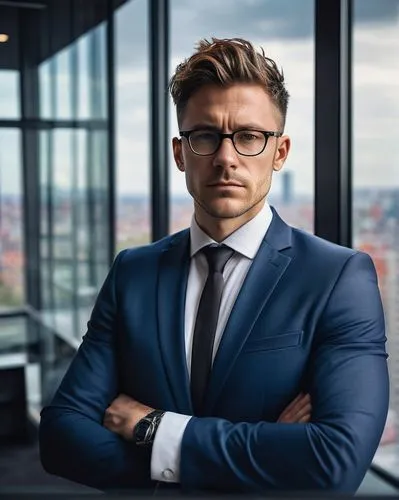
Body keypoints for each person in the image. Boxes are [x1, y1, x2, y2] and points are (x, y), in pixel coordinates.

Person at [39, 37, 389, 494]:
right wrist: (259, 459)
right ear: (180, 152)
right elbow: (61, 436)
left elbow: (334, 459)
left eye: (248, 137)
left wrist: (153, 430)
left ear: (278, 152)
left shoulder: (338, 277)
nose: (226, 158)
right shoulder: (133, 273)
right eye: (205, 136)